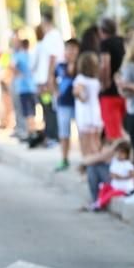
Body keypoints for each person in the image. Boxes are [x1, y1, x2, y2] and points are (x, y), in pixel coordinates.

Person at [34, 14, 65, 147]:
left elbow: (53, 58)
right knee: (46, 108)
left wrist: (49, 78)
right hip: (43, 79)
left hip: (48, 80)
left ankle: (54, 136)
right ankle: (49, 134)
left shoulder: (53, 36)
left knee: (51, 108)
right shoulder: (47, 37)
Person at [116, 30, 134, 202]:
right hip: (133, 111)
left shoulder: (130, 65)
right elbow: (124, 93)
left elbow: (125, 90)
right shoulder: (129, 65)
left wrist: (126, 85)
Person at [54, 38, 80, 171]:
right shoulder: (60, 66)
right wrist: (55, 91)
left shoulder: (81, 66)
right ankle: (64, 158)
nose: (71, 52)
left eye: (73, 49)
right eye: (68, 49)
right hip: (63, 103)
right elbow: (53, 78)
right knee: (64, 132)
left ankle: (85, 159)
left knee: (82, 131)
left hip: (79, 104)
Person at [98, 17, 126, 141]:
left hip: (110, 93)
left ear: (102, 31)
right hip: (125, 89)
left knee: (113, 131)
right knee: (124, 128)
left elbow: (105, 64)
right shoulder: (123, 42)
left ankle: (117, 159)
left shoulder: (105, 43)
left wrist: (105, 83)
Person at [87, 141, 134, 211]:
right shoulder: (115, 161)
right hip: (115, 186)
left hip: (124, 189)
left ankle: (98, 204)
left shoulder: (128, 164)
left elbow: (132, 175)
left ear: (126, 154)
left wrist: (121, 177)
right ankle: (98, 201)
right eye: (118, 153)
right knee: (104, 187)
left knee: (110, 194)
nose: (119, 155)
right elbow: (111, 173)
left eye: (122, 153)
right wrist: (113, 175)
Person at [73, 51, 103, 156]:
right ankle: (96, 159)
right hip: (96, 111)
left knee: (85, 140)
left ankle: (88, 162)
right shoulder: (96, 80)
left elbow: (76, 92)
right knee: (95, 139)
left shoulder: (81, 79)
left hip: (85, 113)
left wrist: (82, 99)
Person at [12, 39, 40, 147]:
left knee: (27, 112)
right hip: (33, 86)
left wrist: (19, 74)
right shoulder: (32, 55)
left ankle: (30, 133)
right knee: (32, 111)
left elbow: (13, 66)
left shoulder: (19, 55)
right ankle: (32, 132)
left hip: (23, 87)